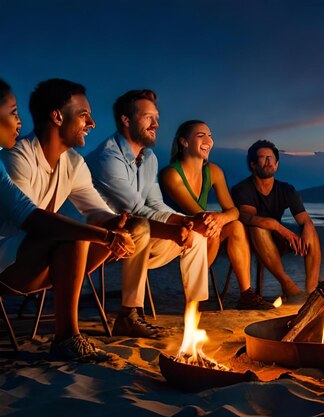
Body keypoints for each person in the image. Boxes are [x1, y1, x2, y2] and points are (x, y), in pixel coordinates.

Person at [0, 79, 135, 362]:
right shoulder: (16, 158)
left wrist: (118, 226)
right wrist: (103, 236)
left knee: (120, 230)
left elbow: (97, 212)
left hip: (30, 259)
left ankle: (69, 335)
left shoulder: (72, 163)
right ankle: (66, 337)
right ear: (57, 116)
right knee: (76, 234)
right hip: (9, 263)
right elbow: (31, 220)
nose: (93, 123)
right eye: (13, 112)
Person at [86, 90, 211, 336]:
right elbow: (134, 209)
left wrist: (187, 222)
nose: (156, 123)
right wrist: (176, 227)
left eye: (157, 117)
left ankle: (193, 312)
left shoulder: (149, 157)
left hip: (138, 237)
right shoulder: (107, 158)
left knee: (197, 235)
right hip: (103, 239)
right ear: (126, 120)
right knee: (139, 227)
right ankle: (129, 314)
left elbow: (155, 204)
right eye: (148, 117)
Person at [159, 120, 274, 310]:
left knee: (235, 226)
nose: (208, 140)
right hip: (174, 235)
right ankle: (195, 296)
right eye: (200, 135)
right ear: (184, 142)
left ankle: (246, 294)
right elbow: (196, 214)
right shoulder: (171, 174)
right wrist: (218, 219)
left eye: (210, 135)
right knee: (209, 227)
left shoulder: (213, 171)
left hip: (204, 233)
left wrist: (222, 218)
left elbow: (234, 210)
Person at [231, 139, 321, 301]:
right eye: (263, 157)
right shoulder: (243, 189)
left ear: (277, 164)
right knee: (258, 227)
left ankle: (312, 291)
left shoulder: (287, 189)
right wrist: (278, 227)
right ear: (252, 164)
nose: (268, 161)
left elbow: (305, 219)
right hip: (249, 242)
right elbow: (248, 217)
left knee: (310, 231)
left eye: (272, 158)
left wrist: (307, 231)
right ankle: (287, 285)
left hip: (277, 241)